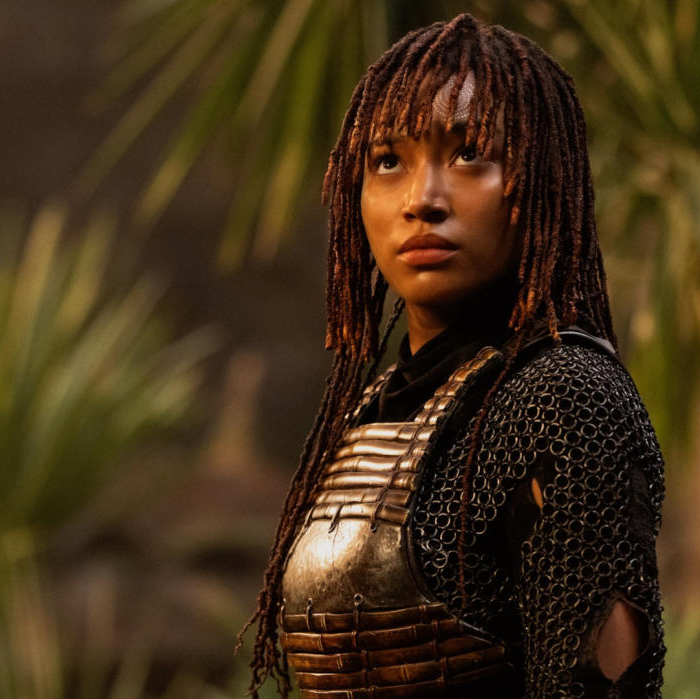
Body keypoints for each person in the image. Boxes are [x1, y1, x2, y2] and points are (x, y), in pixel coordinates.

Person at [239, 14, 665, 698]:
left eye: (469, 154)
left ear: (540, 180)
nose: (423, 200)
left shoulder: (563, 399)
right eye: (388, 161)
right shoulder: (378, 407)